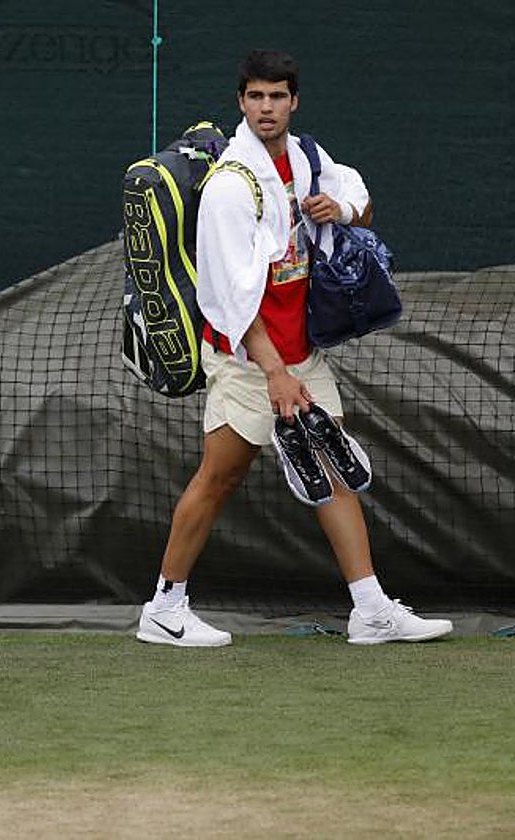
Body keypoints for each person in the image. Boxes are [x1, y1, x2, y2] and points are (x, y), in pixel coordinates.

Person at [135, 50, 452, 648]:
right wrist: (276, 374)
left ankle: (370, 610)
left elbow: (357, 193)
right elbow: (230, 299)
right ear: (241, 102)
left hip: (301, 352)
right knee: (220, 477)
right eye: (255, 97)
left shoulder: (306, 158)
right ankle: (164, 607)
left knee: (331, 464)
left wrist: (343, 208)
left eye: (277, 96)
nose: (266, 108)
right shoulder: (232, 185)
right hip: (248, 359)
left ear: (294, 101)